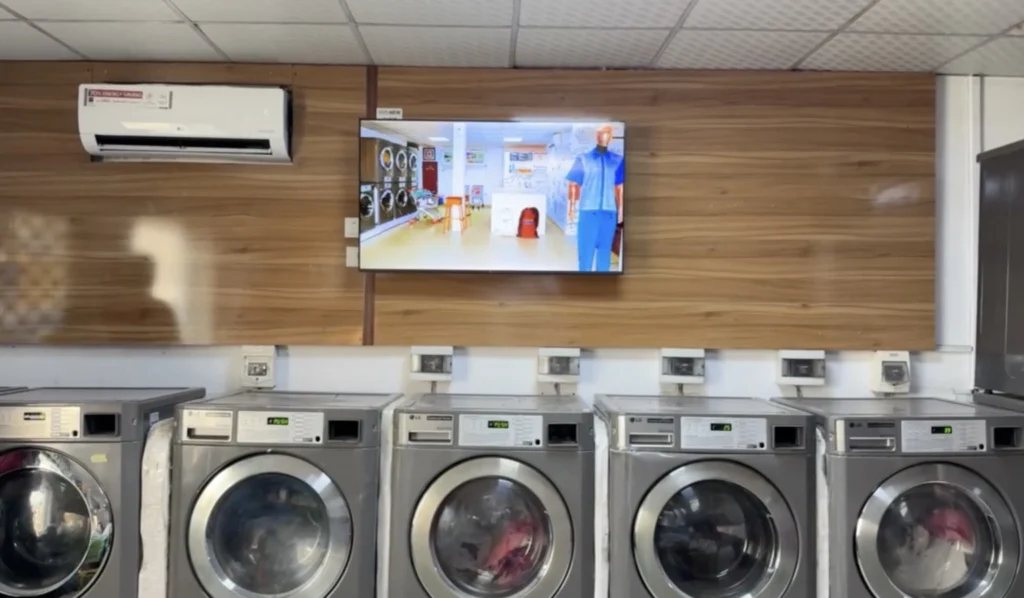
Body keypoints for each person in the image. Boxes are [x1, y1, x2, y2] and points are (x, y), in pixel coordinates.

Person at [566, 125, 624, 272]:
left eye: (608, 134)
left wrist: (621, 210)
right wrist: (571, 208)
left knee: (605, 251)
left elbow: (619, 187)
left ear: (611, 137)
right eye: (602, 133)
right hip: (588, 211)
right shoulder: (583, 159)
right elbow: (573, 184)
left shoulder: (618, 160)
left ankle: (602, 285)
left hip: (609, 212)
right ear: (596, 136)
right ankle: (583, 283)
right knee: (586, 250)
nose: (605, 136)